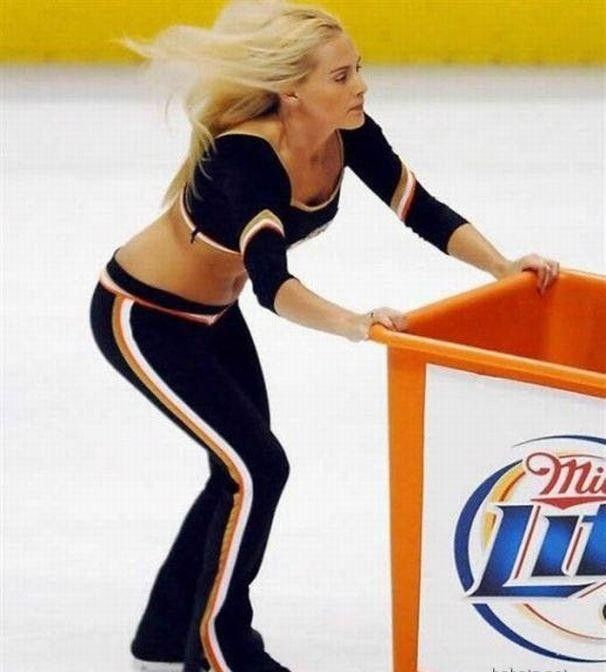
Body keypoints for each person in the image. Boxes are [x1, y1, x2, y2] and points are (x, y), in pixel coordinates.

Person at [89, 1, 560, 671]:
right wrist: (354, 322)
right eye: (340, 76)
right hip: (143, 316)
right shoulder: (245, 158)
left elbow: (419, 208)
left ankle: (166, 632)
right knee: (256, 467)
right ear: (291, 91)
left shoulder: (347, 130)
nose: (360, 85)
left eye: (358, 68)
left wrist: (502, 267)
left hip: (213, 318)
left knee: (240, 468)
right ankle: (219, 648)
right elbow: (272, 284)